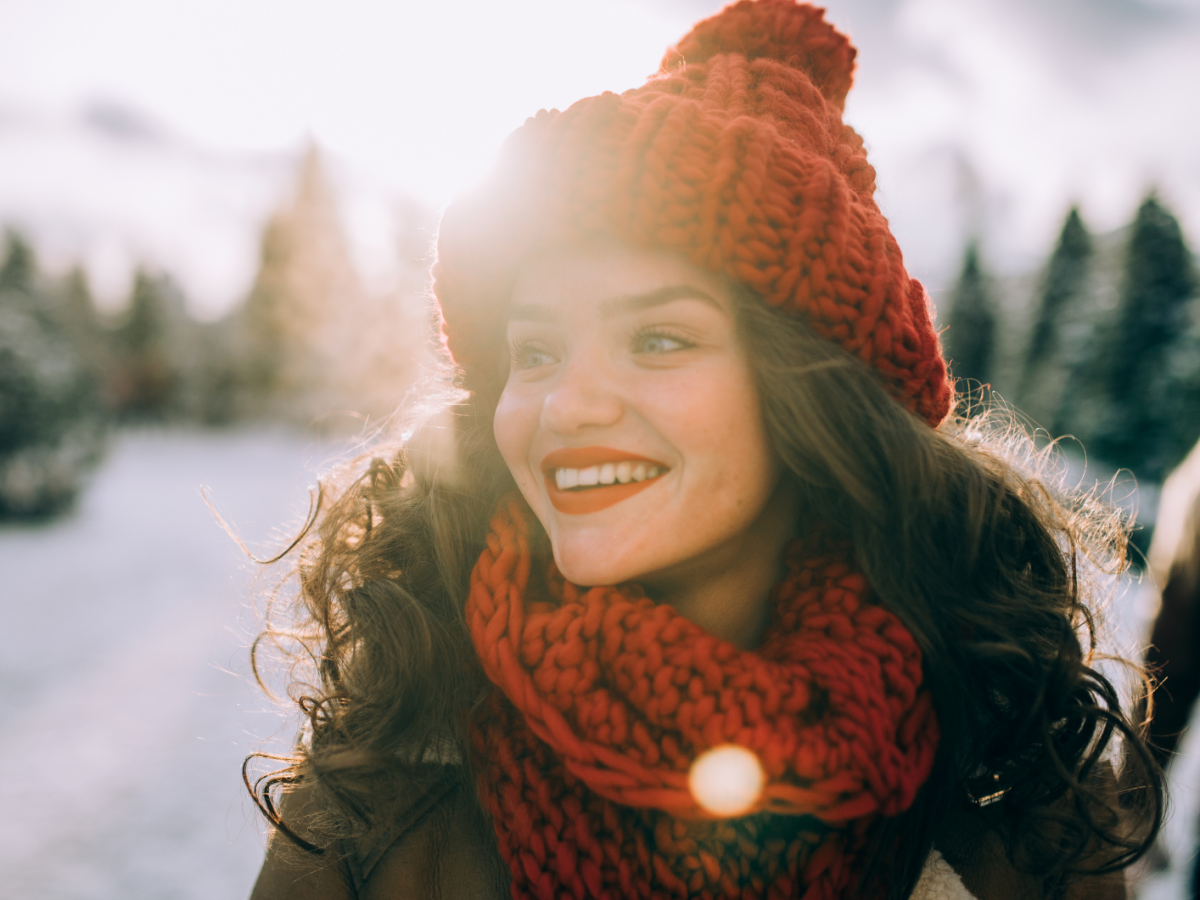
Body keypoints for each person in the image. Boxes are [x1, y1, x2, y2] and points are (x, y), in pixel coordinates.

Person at [246, 2, 1163, 898]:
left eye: (659, 339)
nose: (567, 404)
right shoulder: (389, 782)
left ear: (810, 393)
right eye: (536, 352)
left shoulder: (1008, 791)